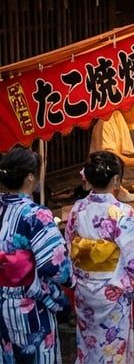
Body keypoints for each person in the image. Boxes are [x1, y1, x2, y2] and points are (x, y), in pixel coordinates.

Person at [67, 151, 134, 364]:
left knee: (88, 344)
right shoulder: (121, 212)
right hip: (112, 288)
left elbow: (70, 244)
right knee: (113, 346)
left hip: (85, 287)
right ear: (116, 180)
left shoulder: (78, 208)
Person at [0, 145, 73, 363]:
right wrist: (70, 280)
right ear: (30, 178)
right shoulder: (35, 214)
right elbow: (56, 266)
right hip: (29, 304)